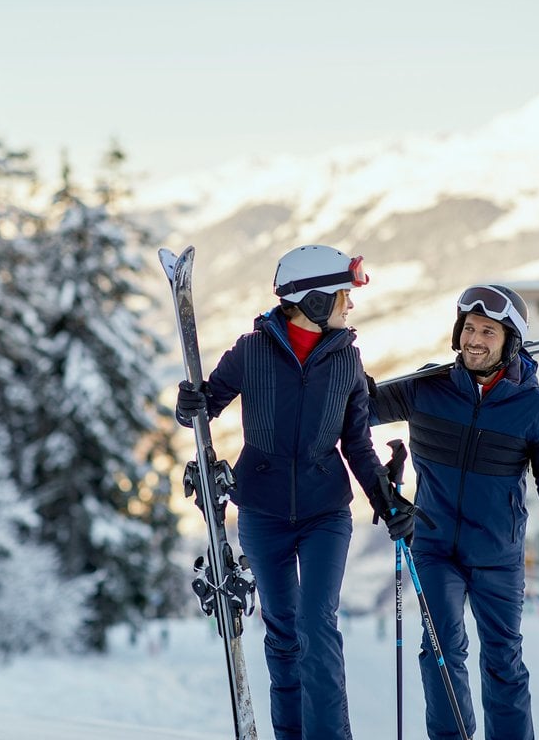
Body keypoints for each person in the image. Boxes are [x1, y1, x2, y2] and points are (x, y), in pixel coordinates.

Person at [175, 245, 415, 740]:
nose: (350, 305)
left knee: (316, 625)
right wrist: (188, 403)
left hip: (325, 511)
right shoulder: (251, 351)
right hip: (261, 511)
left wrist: (385, 500)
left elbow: (357, 444)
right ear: (316, 299)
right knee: (282, 633)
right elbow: (205, 406)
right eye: (344, 295)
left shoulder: (347, 361)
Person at [368, 284, 539, 740]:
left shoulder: (534, 408)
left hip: (497, 554)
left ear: (509, 341)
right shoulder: (425, 389)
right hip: (434, 548)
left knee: (503, 662)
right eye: (469, 328)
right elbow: (356, 409)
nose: (474, 339)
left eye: (488, 331)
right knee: (440, 650)